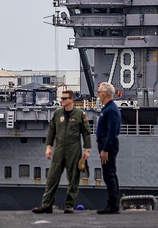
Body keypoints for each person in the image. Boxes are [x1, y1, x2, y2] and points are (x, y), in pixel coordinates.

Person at [32, 89, 91, 214]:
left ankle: (69, 205)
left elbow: (86, 133)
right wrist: (48, 147)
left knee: (73, 177)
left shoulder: (80, 114)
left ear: (71, 100)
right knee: (52, 177)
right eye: (61, 98)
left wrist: (87, 150)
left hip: (74, 149)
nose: (61, 100)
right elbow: (51, 131)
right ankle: (46, 205)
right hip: (59, 148)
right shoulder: (58, 113)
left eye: (64, 98)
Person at [95, 82, 122, 214]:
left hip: (107, 144)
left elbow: (112, 132)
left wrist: (105, 150)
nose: (98, 94)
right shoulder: (108, 108)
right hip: (106, 143)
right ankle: (113, 203)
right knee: (110, 173)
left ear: (105, 93)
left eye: (99, 92)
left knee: (109, 174)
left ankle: (113, 204)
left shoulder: (111, 110)